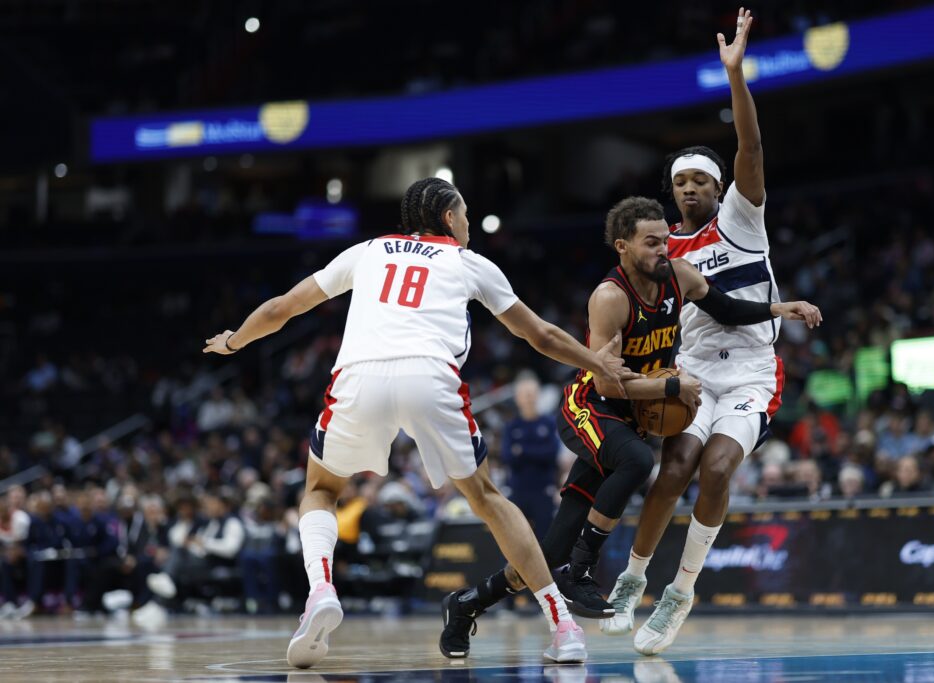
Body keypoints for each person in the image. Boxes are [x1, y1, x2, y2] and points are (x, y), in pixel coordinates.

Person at [204, 177, 637, 668]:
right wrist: (597, 363)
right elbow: (539, 334)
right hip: (430, 375)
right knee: (488, 498)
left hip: (359, 377)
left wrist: (234, 341)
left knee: (321, 489)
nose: (470, 222)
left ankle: (321, 589)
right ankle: (562, 626)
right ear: (450, 219)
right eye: (467, 213)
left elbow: (282, 309)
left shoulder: (367, 251)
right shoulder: (469, 263)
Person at [439, 196, 820, 658]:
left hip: (628, 416)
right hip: (591, 407)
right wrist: (671, 388)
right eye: (652, 242)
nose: (665, 249)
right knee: (639, 461)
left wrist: (779, 309)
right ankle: (582, 571)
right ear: (623, 246)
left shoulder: (680, 276)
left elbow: (728, 309)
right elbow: (609, 383)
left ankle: (466, 603)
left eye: (666, 239)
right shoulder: (610, 298)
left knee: (548, 551)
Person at [602, 9, 823, 655]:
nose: (689, 187)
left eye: (699, 178)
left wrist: (736, 77)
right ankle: (633, 578)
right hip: (693, 367)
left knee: (720, 466)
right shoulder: (662, 245)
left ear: (720, 187)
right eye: (680, 182)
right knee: (674, 470)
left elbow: (751, 147)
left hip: (753, 366)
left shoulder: (741, 219)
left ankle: (682, 590)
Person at [502, 372, 561, 539]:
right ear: (517, 397)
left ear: (538, 395)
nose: (528, 398)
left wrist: (522, 451)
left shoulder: (548, 423)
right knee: (516, 540)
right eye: (524, 394)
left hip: (543, 491)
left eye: (532, 393)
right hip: (518, 491)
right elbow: (507, 457)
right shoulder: (511, 426)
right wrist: (536, 452)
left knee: (545, 541)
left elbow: (551, 453)